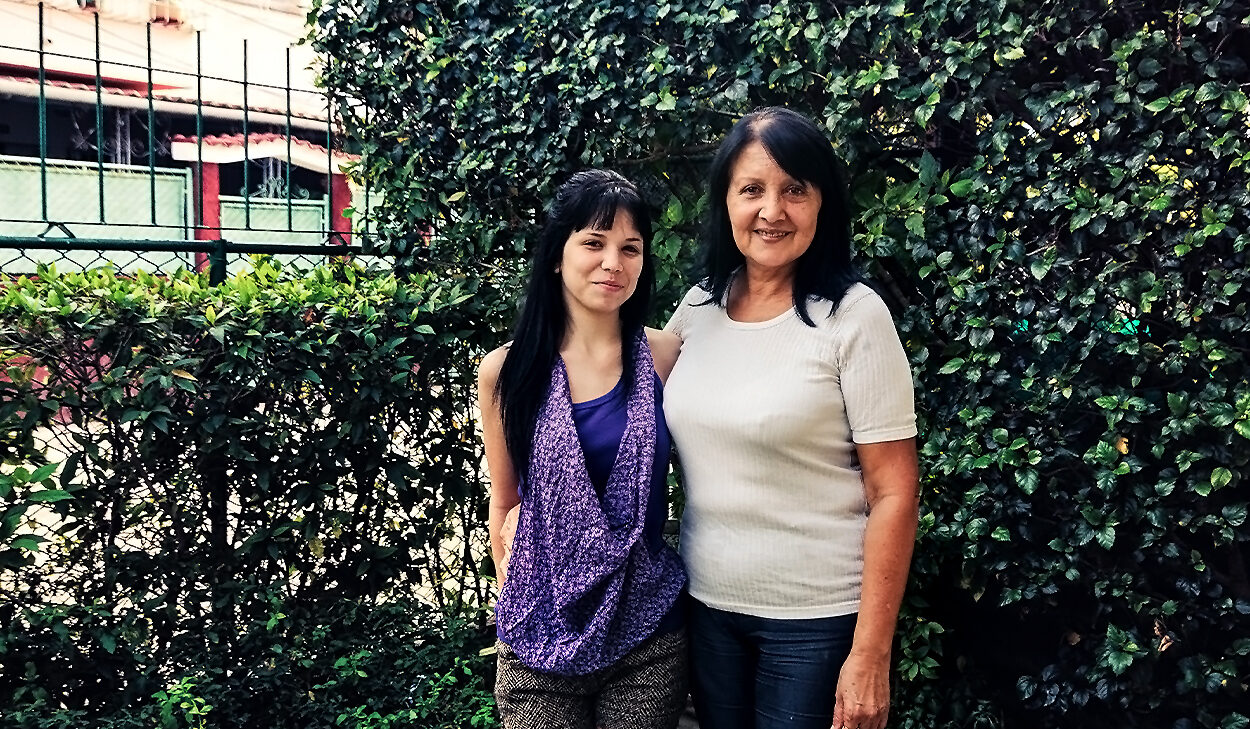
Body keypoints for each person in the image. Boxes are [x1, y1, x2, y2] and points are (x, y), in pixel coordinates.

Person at [663, 107, 920, 729]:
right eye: (751, 189)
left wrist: (871, 654)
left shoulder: (855, 316)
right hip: (706, 608)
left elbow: (894, 492)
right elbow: (607, 383)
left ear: (821, 203)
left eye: (794, 190)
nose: (771, 210)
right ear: (726, 202)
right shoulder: (699, 308)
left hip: (815, 622)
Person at [477, 169, 688, 729]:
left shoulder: (667, 357)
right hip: (539, 632)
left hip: (646, 631)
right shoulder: (507, 371)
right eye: (594, 243)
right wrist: (515, 587)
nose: (612, 263)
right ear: (557, 255)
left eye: (630, 248)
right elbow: (505, 500)